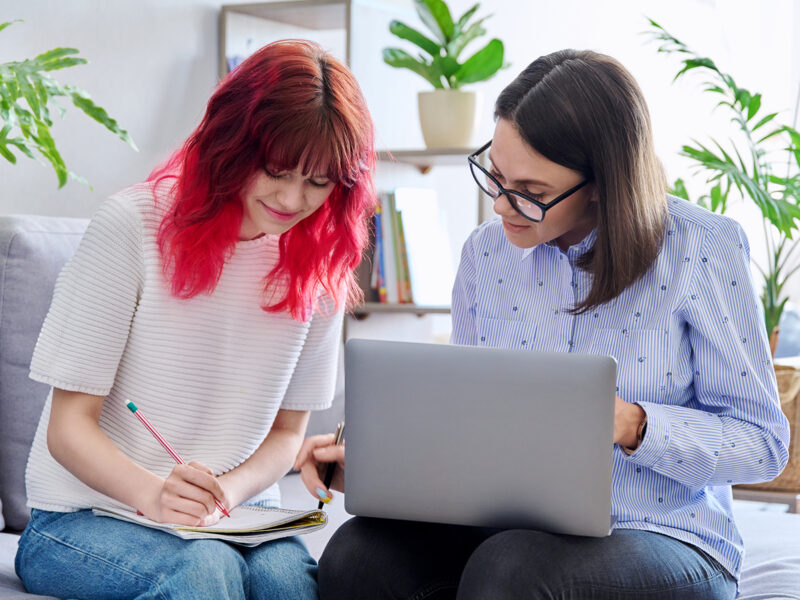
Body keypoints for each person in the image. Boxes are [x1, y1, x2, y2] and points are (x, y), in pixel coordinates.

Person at [294, 49, 790, 600]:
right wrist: (378, 462)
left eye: (532, 193)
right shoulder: (485, 255)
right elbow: (467, 421)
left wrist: (633, 424)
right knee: (357, 556)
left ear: (601, 184)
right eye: (496, 176)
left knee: (510, 570)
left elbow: (763, 445)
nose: (502, 207)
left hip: (664, 533)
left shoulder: (701, 247)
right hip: (505, 529)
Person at [15, 40, 375, 600]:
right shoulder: (130, 226)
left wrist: (227, 492)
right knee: (205, 569)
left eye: (319, 181)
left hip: (237, 514)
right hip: (83, 518)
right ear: (231, 143)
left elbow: (287, 434)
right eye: (276, 170)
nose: (292, 198)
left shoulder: (322, 264)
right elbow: (68, 428)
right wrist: (157, 496)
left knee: (287, 585)